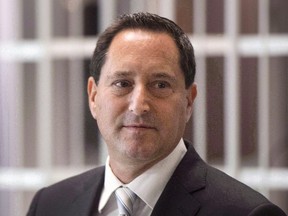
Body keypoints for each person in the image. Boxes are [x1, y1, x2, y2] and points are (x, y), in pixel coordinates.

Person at [27, 12, 287, 216]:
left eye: (160, 85)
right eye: (122, 83)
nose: (139, 105)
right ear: (94, 96)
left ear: (188, 100)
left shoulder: (246, 213)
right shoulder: (50, 205)